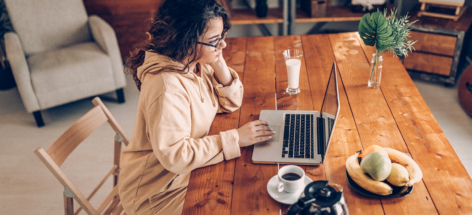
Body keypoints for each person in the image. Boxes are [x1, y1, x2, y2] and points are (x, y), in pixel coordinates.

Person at [118, 0, 275, 214]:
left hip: (183, 171)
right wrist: (236, 138)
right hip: (156, 192)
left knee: (252, 180)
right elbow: (177, 156)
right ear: (186, 40)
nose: (223, 45)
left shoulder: (192, 61)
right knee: (244, 198)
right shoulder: (167, 87)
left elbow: (231, 102)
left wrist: (217, 60)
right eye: (214, 40)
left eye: (223, 36)